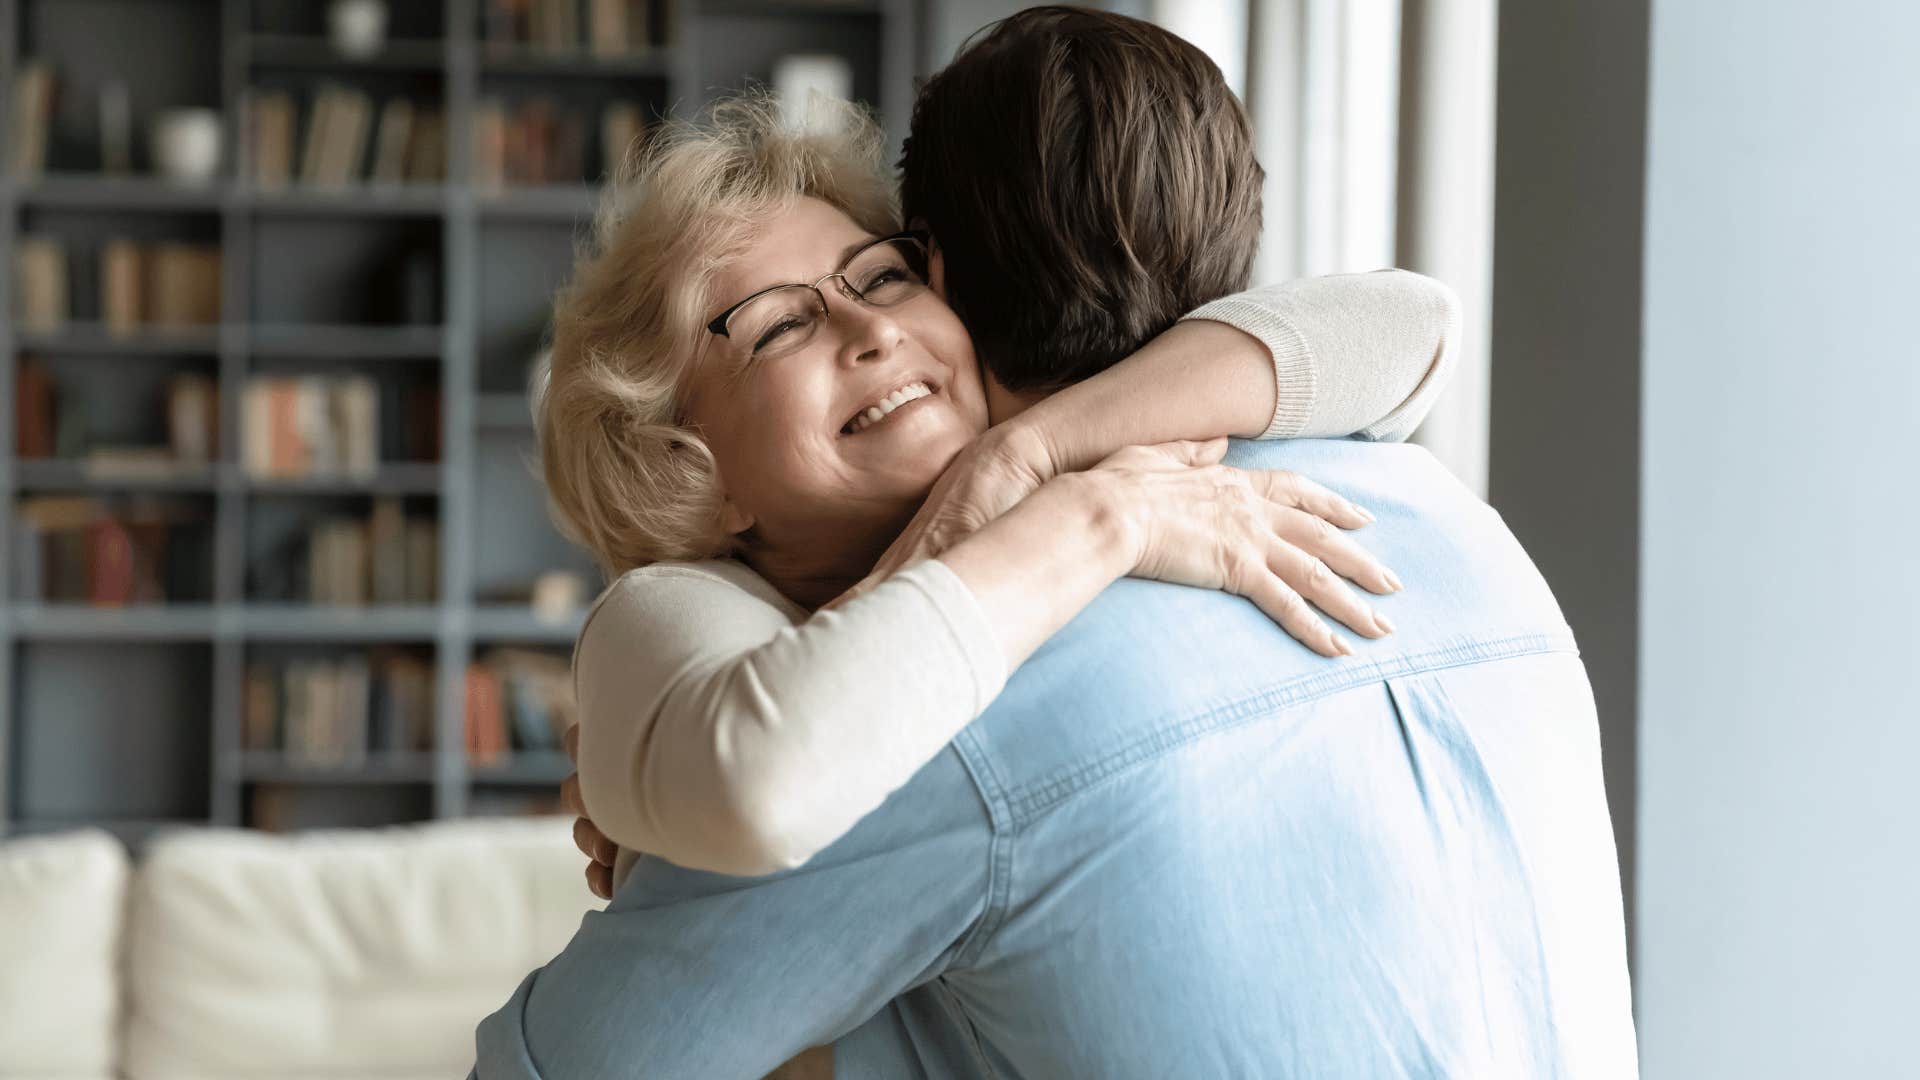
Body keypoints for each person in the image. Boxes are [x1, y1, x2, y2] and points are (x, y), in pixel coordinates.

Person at [476, 7, 1636, 1079]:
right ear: (681, 460)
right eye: (778, 324)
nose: (872, 328)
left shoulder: (978, 714)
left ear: (962, 302)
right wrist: (1082, 506)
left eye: (885, 274)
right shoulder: (1444, 515)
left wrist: (1031, 472)